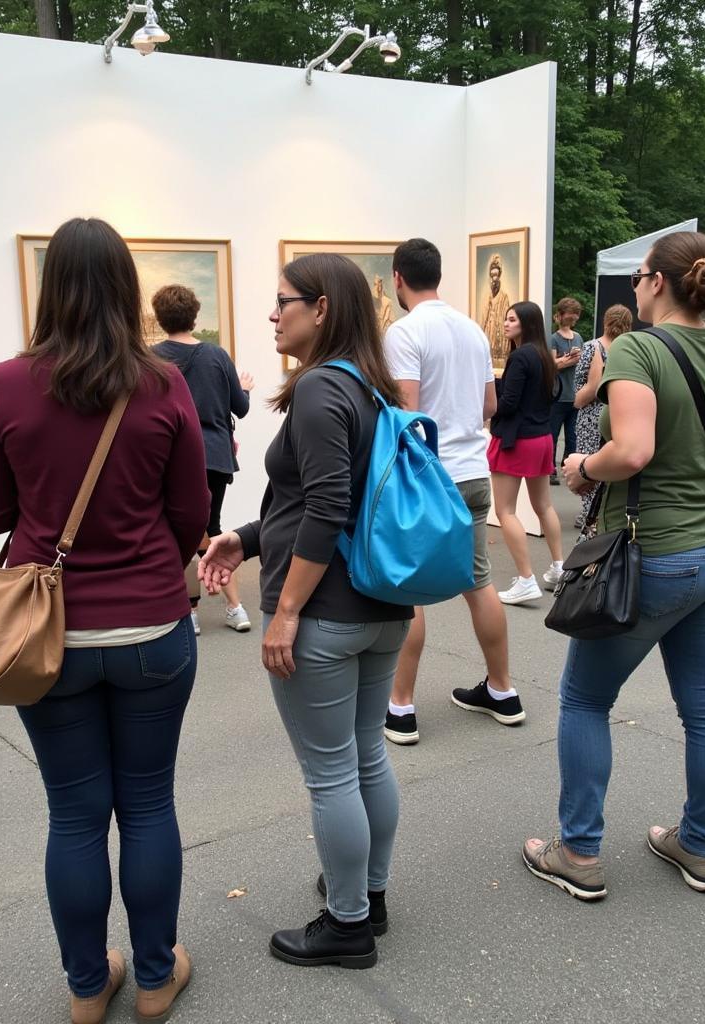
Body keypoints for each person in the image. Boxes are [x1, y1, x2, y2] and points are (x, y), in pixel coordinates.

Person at [0, 219, 209, 1024]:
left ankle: (84, 986)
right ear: (125, 288)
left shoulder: (6, 381)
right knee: (147, 804)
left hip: (50, 637)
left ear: (49, 288)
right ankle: (151, 977)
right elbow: (190, 514)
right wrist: (148, 559)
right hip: (151, 629)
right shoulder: (161, 383)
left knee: (74, 812)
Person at [523, 231, 705, 901]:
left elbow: (631, 451)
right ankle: (698, 845)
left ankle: (577, 852)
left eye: (639, 277)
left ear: (657, 282)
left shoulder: (636, 347)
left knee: (584, 699)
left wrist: (580, 468)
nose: (634, 286)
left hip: (653, 555)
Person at [198, 253, 409, 970]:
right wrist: (247, 539)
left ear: (321, 308)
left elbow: (327, 508)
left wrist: (285, 612)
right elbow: (312, 507)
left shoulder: (320, 391)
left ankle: (347, 923)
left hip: (325, 614)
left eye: (282, 301)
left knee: (331, 775)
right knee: (365, 757)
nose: (272, 314)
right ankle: (369, 895)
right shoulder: (368, 387)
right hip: (381, 606)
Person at [381, 238, 523, 747]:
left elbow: (406, 414)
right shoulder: (471, 330)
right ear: (438, 274)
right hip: (472, 472)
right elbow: (489, 403)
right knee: (479, 582)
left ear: (398, 277)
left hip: (427, 477)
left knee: (408, 590)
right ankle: (503, 691)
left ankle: (400, 707)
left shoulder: (403, 333)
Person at [152, 284, 254, 636]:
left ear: (159, 317)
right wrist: (245, 389)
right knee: (211, 526)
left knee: (176, 530)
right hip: (213, 453)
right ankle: (235, 607)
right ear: (194, 314)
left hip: (168, 455)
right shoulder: (216, 355)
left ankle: (190, 611)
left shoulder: (150, 359)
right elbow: (239, 407)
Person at [489, 301, 565, 606]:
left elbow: (508, 403)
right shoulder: (544, 356)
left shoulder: (520, 357)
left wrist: (487, 396)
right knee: (543, 505)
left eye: (512, 320)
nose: (506, 324)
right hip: (542, 438)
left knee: (505, 511)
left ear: (526, 324)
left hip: (516, 440)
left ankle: (525, 579)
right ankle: (559, 567)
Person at [572, 304, 632, 531]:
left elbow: (578, 398)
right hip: (619, 417)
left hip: (590, 419)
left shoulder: (590, 347)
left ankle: (590, 518)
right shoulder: (630, 349)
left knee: (589, 469)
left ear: (605, 321)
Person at [548, 297, 584, 485]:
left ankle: (567, 467)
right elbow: (551, 364)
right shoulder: (554, 338)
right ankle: (550, 469)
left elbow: (584, 362)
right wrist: (568, 359)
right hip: (558, 394)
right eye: (570, 315)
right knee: (552, 434)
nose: (573, 319)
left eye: (575, 316)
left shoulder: (577, 337)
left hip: (574, 395)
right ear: (561, 315)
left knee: (572, 436)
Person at [481, 254, 511, 366]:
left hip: (501, 339)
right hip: (490, 335)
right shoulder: (486, 297)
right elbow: (483, 320)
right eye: (492, 275)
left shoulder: (504, 297)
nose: (494, 279)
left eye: (497, 275)